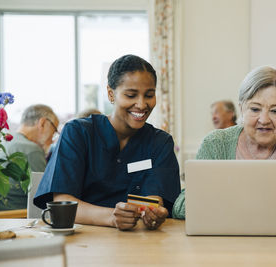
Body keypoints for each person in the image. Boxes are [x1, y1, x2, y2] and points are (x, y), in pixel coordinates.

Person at [34, 55, 181, 231]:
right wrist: (112, 217)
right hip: (84, 240)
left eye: (149, 95)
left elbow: (155, 198)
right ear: (111, 94)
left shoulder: (160, 143)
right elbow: (62, 202)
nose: (142, 104)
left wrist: (152, 215)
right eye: (131, 95)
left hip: (139, 242)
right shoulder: (78, 133)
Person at [172, 66, 276, 220]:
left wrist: (227, 203)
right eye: (255, 109)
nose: (264, 120)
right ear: (241, 109)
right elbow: (183, 207)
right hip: (225, 244)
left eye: (275, 111)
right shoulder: (215, 143)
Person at [0, 104, 59, 211]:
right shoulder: (32, 150)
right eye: (53, 132)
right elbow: (46, 196)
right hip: (15, 215)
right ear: (42, 123)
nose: (52, 140)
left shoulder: (3, 142)